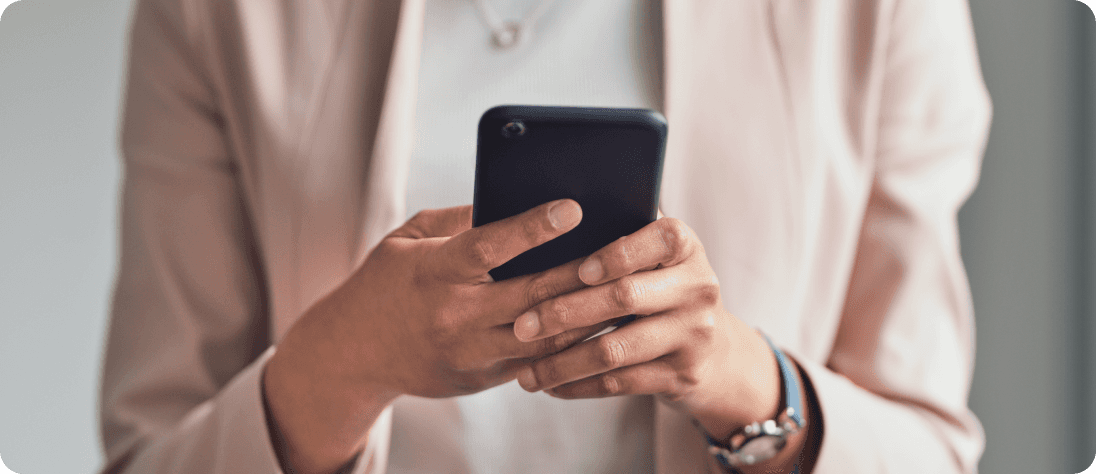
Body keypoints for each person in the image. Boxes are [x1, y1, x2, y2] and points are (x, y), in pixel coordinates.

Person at [98, 0, 992, 472]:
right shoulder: (215, 12)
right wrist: (350, 357)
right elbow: (151, 454)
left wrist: (738, 378)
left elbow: (931, 453)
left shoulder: (881, 10)